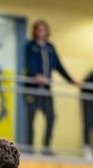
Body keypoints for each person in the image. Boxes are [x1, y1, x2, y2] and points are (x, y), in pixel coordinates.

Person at [22, 20, 79, 155]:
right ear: (35, 31)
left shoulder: (50, 47)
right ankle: (29, 148)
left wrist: (71, 80)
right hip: (33, 89)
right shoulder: (30, 46)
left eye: (43, 29)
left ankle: (46, 147)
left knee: (51, 117)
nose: (41, 32)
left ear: (47, 31)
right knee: (30, 119)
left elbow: (59, 66)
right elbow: (28, 63)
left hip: (46, 90)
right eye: (38, 29)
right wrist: (36, 74)